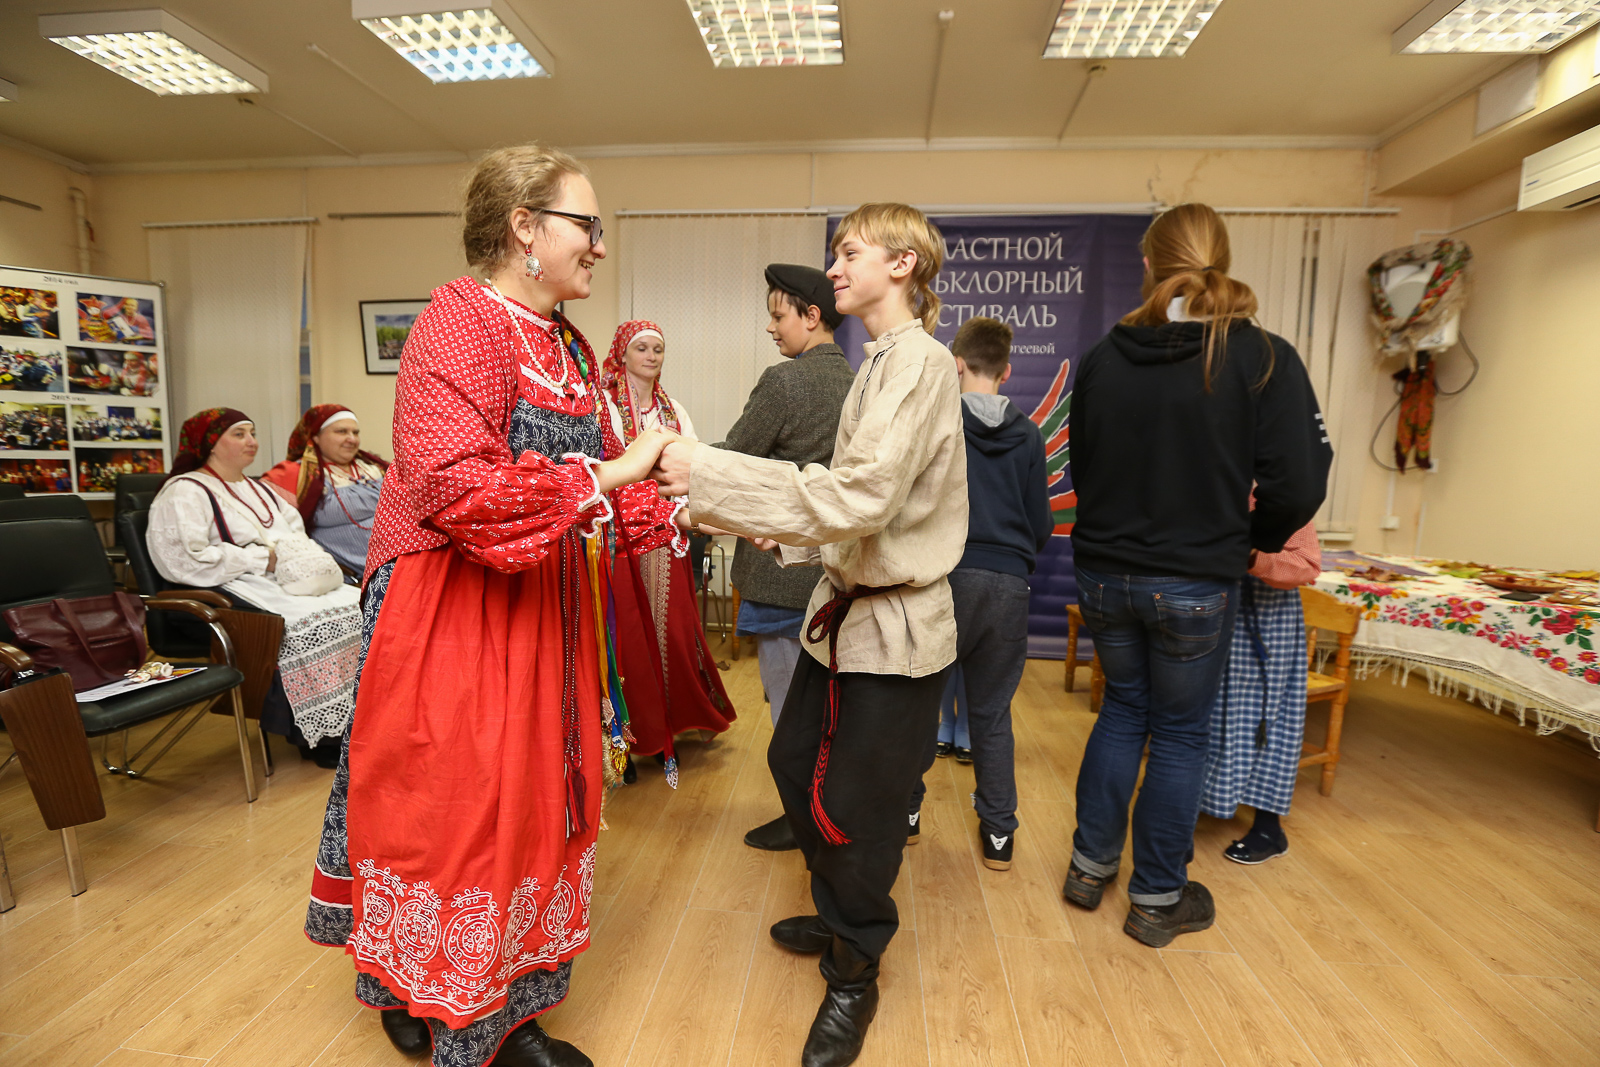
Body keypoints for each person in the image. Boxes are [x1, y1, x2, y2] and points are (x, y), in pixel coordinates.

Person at [302, 144, 682, 1067]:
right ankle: (453, 1012)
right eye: (586, 226)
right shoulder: (458, 319)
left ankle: (494, 1004)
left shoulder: (565, 342)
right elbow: (455, 486)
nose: (599, 246)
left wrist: (694, 502)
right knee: (454, 812)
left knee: (534, 805)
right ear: (524, 229)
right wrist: (613, 473)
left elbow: (607, 485)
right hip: (457, 606)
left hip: (540, 603)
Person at [653, 202, 966, 1067]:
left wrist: (708, 471)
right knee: (796, 763)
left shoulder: (919, 363)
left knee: (859, 810)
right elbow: (859, 498)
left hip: (896, 628)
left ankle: (855, 967)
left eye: (849, 251)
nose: (833, 268)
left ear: (902, 263)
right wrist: (786, 536)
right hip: (845, 617)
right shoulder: (878, 360)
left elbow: (863, 497)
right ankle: (837, 911)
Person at [1061, 202, 1333, 948]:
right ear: (1222, 258)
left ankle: (1088, 868)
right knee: (1179, 735)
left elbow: (1082, 468)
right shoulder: (1263, 356)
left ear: (1149, 263)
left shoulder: (1105, 356)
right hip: (1194, 581)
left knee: (1122, 714)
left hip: (1105, 575)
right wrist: (1248, 543)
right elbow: (1301, 483)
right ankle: (1156, 898)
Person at [908, 316, 1052, 872]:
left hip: (947, 579)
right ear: (1007, 371)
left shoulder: (939, 423)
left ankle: (907, 814)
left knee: (919, 707)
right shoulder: (1030, 435)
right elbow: (1041, 523)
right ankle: (998, 835)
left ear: (956, 365)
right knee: (991, 715)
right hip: (1009, 586)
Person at [145, 408, 362, 765]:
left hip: (281, 576)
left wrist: (296, 558)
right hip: (228, 587)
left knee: (363, 606)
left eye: (253, 433)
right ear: (210, 444)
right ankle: (323, 737)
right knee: (315, 620)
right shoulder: (185, 492)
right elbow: (183, 560)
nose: (252, 441)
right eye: (239, 434)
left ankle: (358, 722)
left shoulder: (259, 488)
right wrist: (262, 559)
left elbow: (294, 532)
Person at [725, 263, 856, 852]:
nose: (771, 328)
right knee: (829, 710)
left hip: (780, 576)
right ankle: (828, 812)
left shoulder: (784, 382)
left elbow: (737, 457)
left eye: (778, 316)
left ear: (812, 316)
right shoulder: (856, 383)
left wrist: (665, 454)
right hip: (835, 575)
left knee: (788, 711)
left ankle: (805, 822)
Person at [599, 320, 733, 784]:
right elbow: (602, 470)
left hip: (664, 533)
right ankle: (625, 741)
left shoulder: (672, 411)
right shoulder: (602, 406)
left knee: (669, 636)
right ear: (622, 353)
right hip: (616, 539)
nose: (652, 356)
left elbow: (691, 469)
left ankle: (665, 734)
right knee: (625, 643)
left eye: (658, 348)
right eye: (642, 348)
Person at [1200, 517, 1321, 863]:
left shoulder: (1282, 496)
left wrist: (1251, 555)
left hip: (1265, 612)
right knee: (1201, 710)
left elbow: (1306, 565)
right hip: (1202, 604)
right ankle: (1194, 801)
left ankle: (1269, 828)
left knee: (1266, 719)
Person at [264, 405, 389, 576]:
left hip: (408, 554)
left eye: (355, 432)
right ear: (315, 437)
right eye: (341, 432)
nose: (352, 439)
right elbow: (268, 526)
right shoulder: (297, 474)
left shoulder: (374, 468)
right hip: (366, 572)